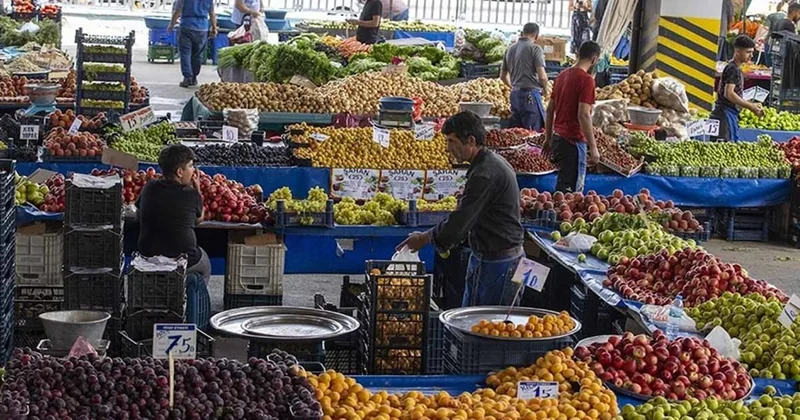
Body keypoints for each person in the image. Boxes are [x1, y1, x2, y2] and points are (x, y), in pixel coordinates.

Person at [396, 111, 525, 307]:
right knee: (475, 318)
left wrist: (424, 238)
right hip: (490, 257)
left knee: (490, 321)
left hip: (500, 264)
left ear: (471, 141)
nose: (448, 148)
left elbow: (458, 224)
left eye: (452, 141)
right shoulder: (489, 163)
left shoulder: (484, 173)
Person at [136, 144, 210, 284]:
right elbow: (198, 219)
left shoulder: (149, 186)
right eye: (191, 166)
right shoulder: (191, 193)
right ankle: (195, 294)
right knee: (205, 263)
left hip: (148, 256)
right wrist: (198, 189)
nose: (194, 170)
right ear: (180, 172)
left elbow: (138, 216)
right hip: (183, 258)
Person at [542, 40, 601, 193]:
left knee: (563, 187)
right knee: (572, 193)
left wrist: (548, 139)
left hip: (558, 139)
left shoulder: (561, 76)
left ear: (578, 54)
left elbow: (550, 110)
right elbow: (583, 115)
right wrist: (593, 147)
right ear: (594, 60)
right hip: (573, 142)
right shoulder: (587, 80)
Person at [710, 35, 765, 141]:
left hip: (726, 113)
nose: (751, 56)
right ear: (738, 51)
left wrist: (751, 104)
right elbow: (729, 94)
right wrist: (750, 106)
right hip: (725, 115)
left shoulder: (734, 67)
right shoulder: (733, 69)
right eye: (748, 52)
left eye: (752, 52)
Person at [500, 22, 549, 131]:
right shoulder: (535, 49)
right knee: (532, 133)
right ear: (536, 36)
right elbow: (542, 76)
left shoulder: (509, 49)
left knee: (516, 133)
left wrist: (513, 87)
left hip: (514, 96)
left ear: (522, 33)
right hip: (530, 96)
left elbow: (503, 76)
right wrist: (545, 89)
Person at [169, 0, 217, 88]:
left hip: (187, 26)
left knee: (185, 53)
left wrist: (171, 25)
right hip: (202, 28)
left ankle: (187, 77)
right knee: (197, 54)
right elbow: (212, 13)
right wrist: (214, 27)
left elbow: (177, 10)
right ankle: (194, 77)